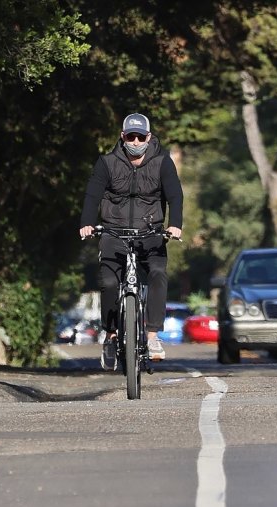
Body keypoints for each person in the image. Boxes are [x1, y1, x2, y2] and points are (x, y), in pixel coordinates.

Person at [79, 113, 183, 370]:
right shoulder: (106, 162)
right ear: (122, 137)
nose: (135, 141)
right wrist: (87, 223)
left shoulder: (163, 163)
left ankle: (153, 336)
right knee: (109, 282)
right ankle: (111, 337)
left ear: (148, 137)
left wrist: (175, 225)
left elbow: (175, 196)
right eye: (130, 136)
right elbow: (92, 195)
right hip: (114, 233)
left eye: (140, 137)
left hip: (150, 233)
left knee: (158, 273)